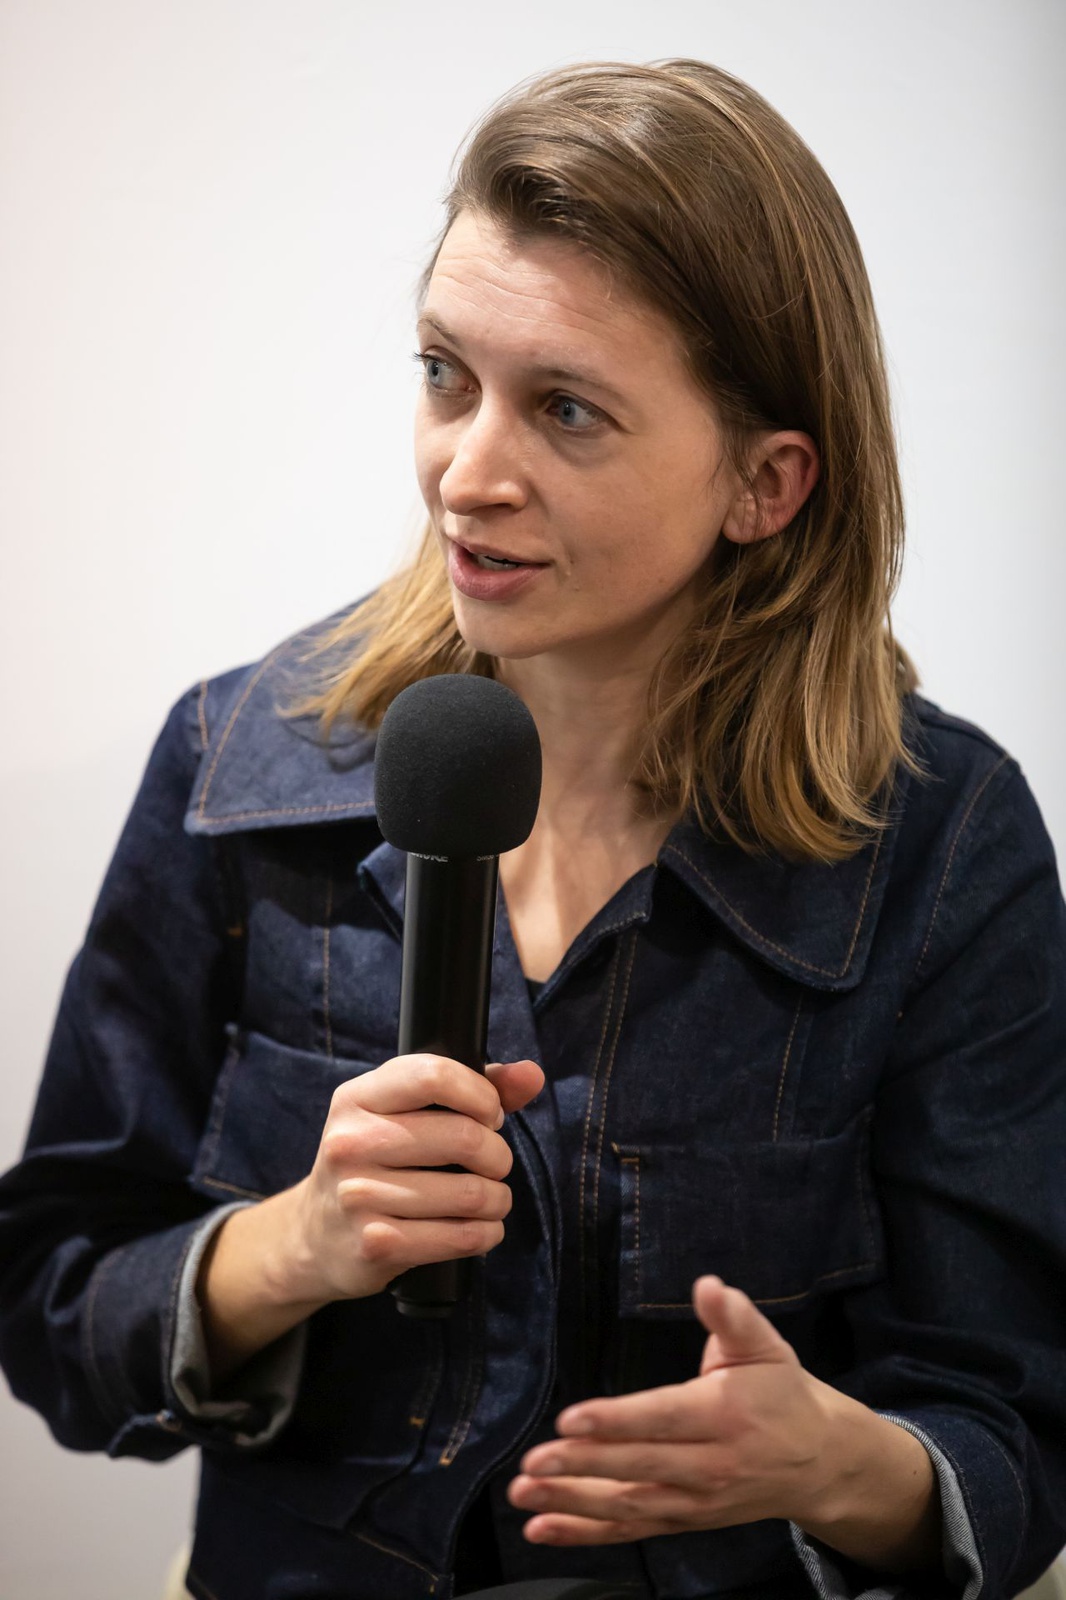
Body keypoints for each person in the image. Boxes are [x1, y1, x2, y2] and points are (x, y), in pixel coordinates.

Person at [1, 56, 1064, 1600]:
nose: (467, 472)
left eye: (565, 409)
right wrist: (290, 1246)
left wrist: (837, 1466)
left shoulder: (941, 845)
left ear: (764, 483)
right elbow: (49, 1311)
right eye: (446, 374)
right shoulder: (236, 764)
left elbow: (1014, 1432)